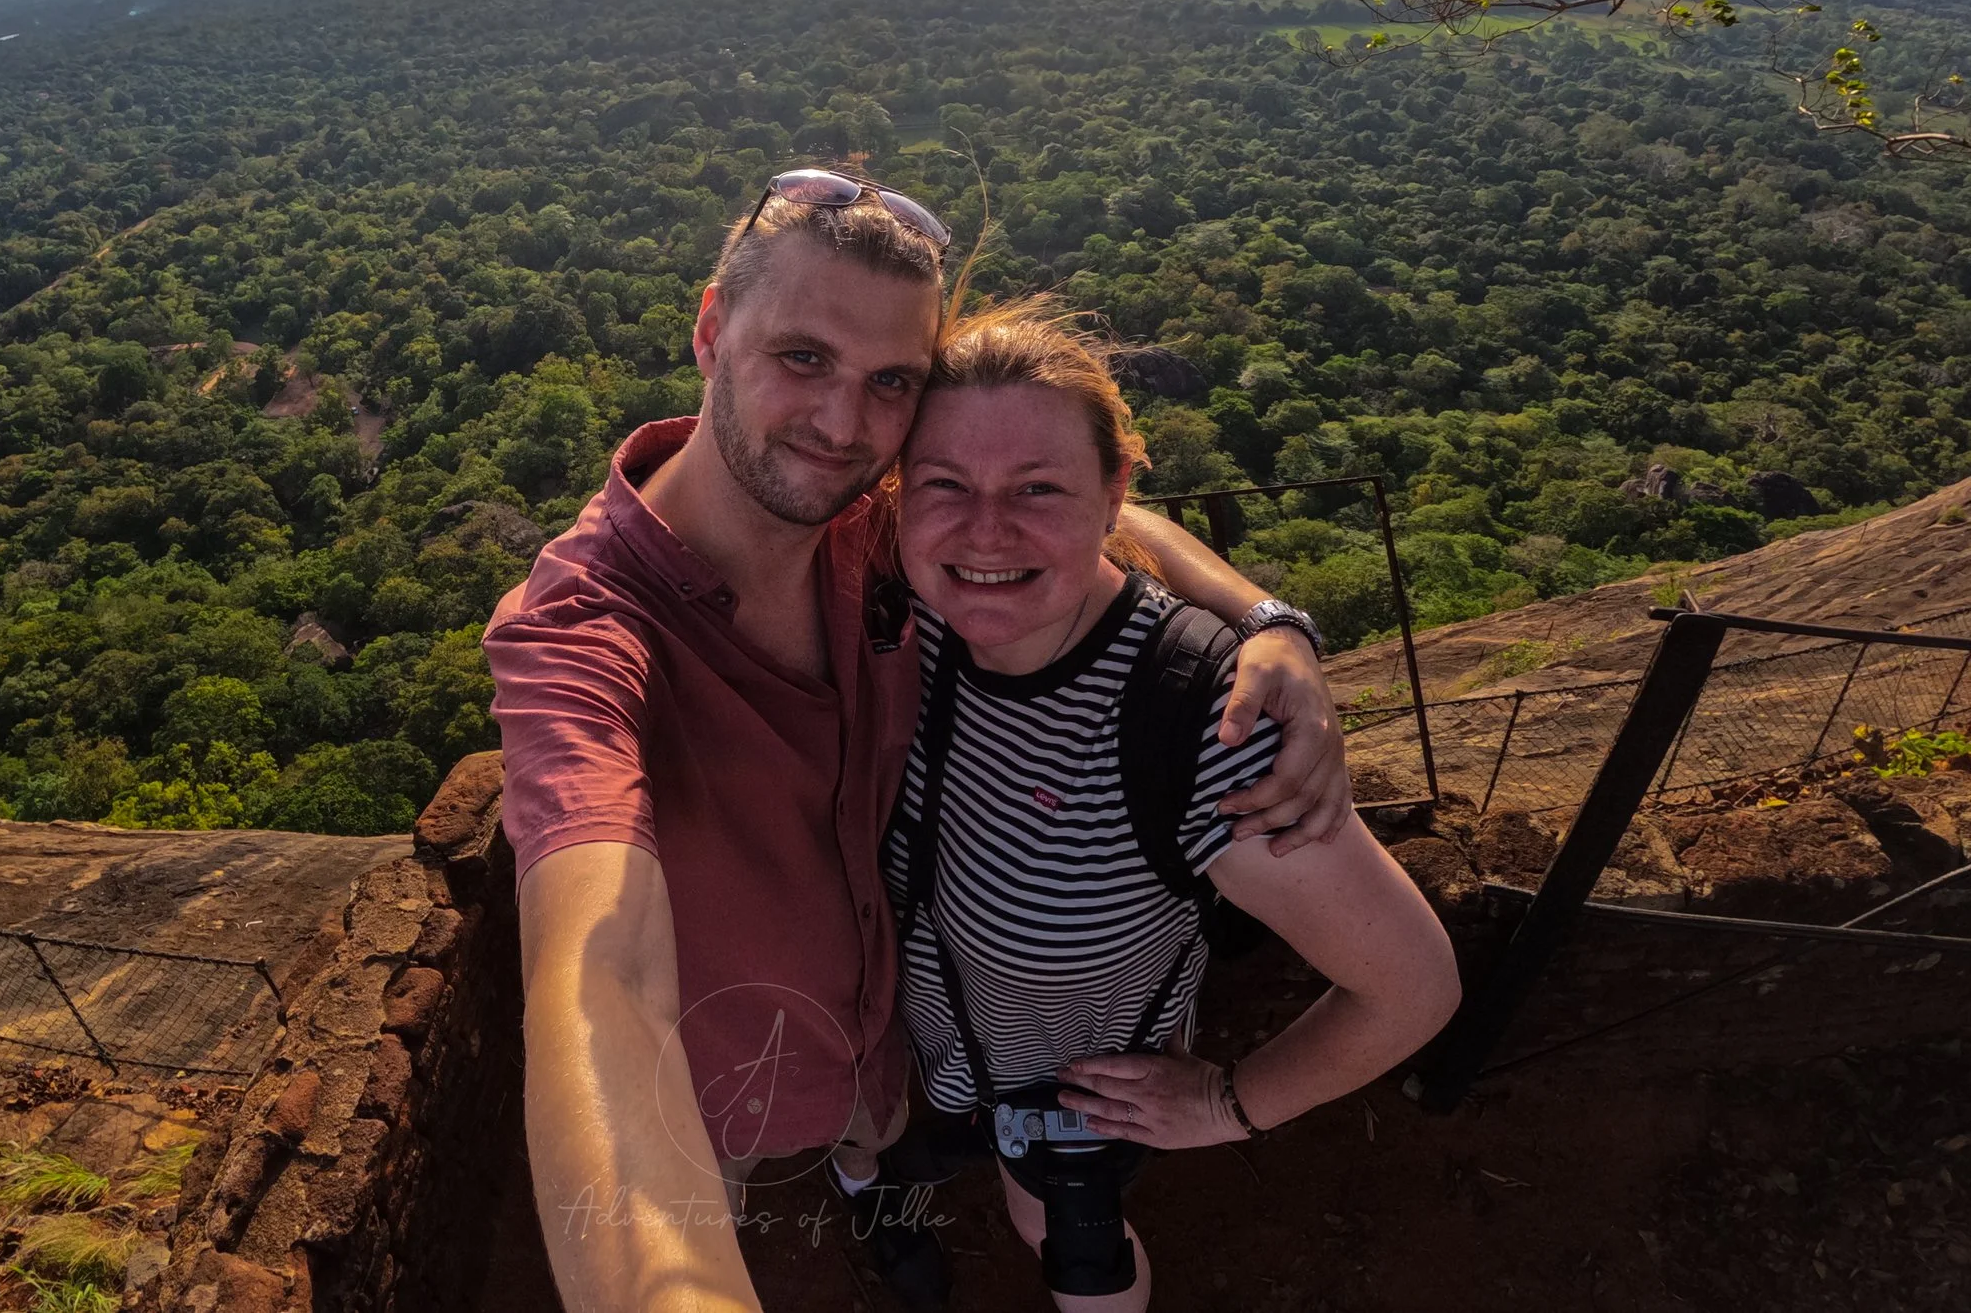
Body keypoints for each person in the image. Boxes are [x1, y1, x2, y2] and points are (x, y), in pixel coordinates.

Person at [485, 168, 1355, 1312]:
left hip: (899, 1023)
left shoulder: (874, 524)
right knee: (728, 1203)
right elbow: (603, 974)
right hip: (735, 1062)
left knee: (873, 1146)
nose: (843, 424)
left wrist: (1269, 622)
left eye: (890, 381)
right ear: (710, 329)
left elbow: (1080, 509)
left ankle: (872, 1202)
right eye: (802, 357)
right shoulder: (579, 635)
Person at [885, 297, 1462, 1311]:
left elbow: (1413, 987)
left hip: (1069, 1090)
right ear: (898, 492)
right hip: (931, 1037)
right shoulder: (913, 612)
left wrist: (1230, 1104)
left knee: (1061, 1238)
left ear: (1111, 491)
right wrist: (1271, 613)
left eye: (1038, 488)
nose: (986, 530)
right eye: (945, 483)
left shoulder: (1206, 724)